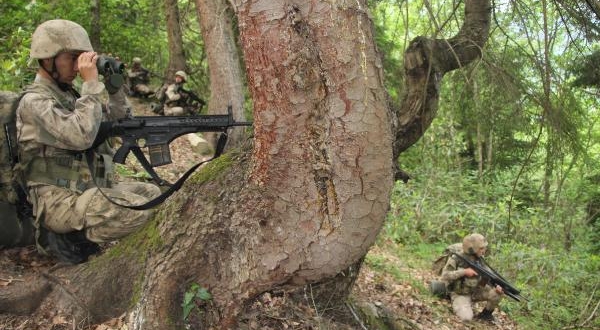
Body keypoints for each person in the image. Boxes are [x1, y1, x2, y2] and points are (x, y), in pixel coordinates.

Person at [15, 19, 161, 263]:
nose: (78, 65)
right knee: (139, 211)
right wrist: (91, 84)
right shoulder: (34, 102)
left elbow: (119, 121)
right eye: (72, 58)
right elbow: (80, 136)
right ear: (47, 59)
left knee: (152, 193)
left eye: (81, 58)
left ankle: (80, 232)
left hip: (86, 188)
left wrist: (115, 89)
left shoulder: (71, 96)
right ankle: (69, 238)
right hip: (57, 199)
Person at [441, 233, 504, 322]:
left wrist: (495, 286)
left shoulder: (480, 260)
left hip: (475, 291)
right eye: (481, 248)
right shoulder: (457, 258)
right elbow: (444, 276)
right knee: (466, 318)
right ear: (473, 249)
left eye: (484, 248)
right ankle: (459, 303)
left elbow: (487, 279)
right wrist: (464, 272)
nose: (484, 251)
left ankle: (486, 315)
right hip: (460, 294)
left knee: (497, 293)